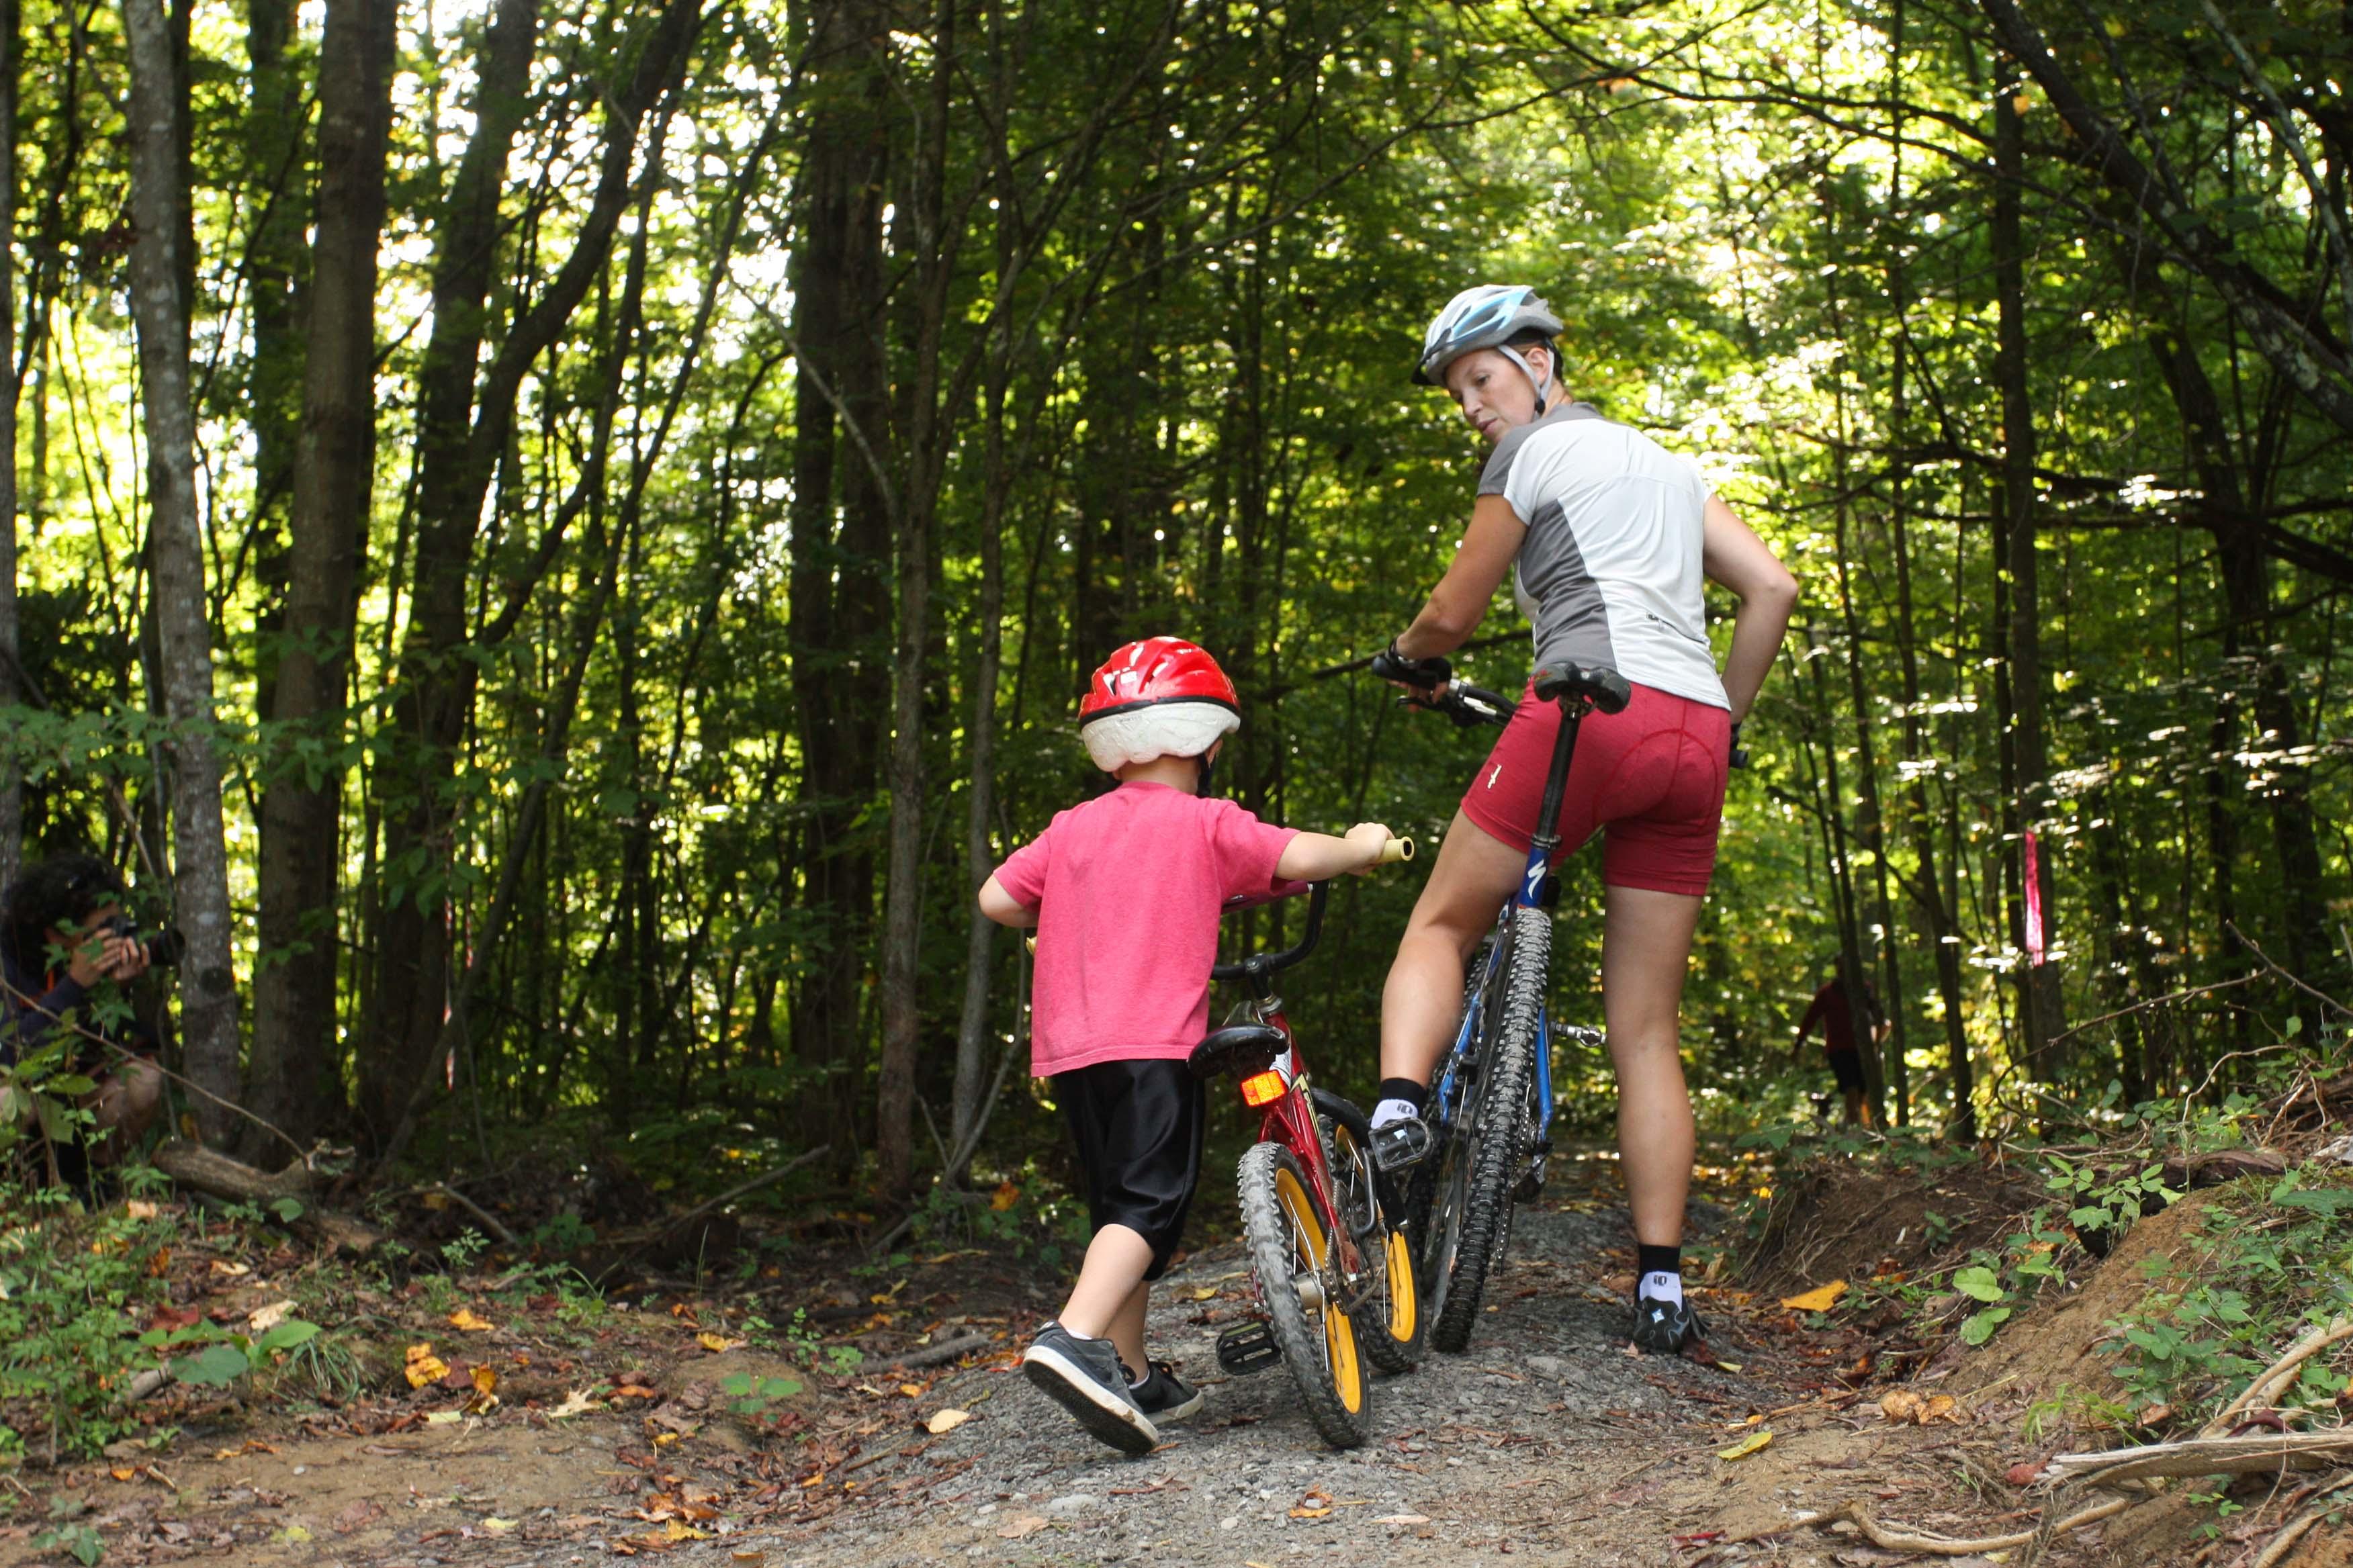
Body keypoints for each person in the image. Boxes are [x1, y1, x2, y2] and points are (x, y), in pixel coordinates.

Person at [1364, 285, 1797, 1358]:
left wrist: (1416, 660)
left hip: (1585, 712)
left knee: (1439, 923)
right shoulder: (1668, 465)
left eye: (1481, 377)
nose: (1470, 406)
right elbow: (1772, 590)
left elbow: (1453, 610)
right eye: (1456, 392)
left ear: (1541, 360)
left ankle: (1396, 1108)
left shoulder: (1532, 454)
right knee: (1644, 1027)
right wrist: (1721, 724)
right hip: (1693, 738)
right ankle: (1658, 1286)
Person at [978, 637, 1396, 1455]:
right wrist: (1358, 847)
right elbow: (1292, 854)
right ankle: (1073, 1336)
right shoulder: (1204, 821)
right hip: (1152, 1045)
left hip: (1070, 1050)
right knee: (1150, 1203)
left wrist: (1071, 906)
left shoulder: (1069, 829)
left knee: (1116, 1207)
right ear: (1206, 742)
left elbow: (997, 897)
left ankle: (1131, 1373)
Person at [0, 854, 168, 1174]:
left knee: (143, 1081)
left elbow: (105, 1054)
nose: (112, 940)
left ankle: (97, 1180)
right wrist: (74, 985)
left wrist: (116, 990)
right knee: (7, 1103)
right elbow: (10, 1059)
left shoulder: (92, 968)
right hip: (20, 1096)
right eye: (101, 931)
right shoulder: (8, 958)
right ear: (55, 933)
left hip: (67, 1104)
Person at [1793, 959, 1883, 1127]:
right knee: (1851, 1086)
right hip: (1839, 1049)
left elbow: (1878, 1015)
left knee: (1863, 1090)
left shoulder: (1864, 989)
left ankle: (1860, 1125)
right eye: (1840, 967)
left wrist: (1877, 1036)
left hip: (1862, 1048)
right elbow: (1810, 1018)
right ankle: (1854, 1130)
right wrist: (1798, 1044)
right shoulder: (1827, 993)